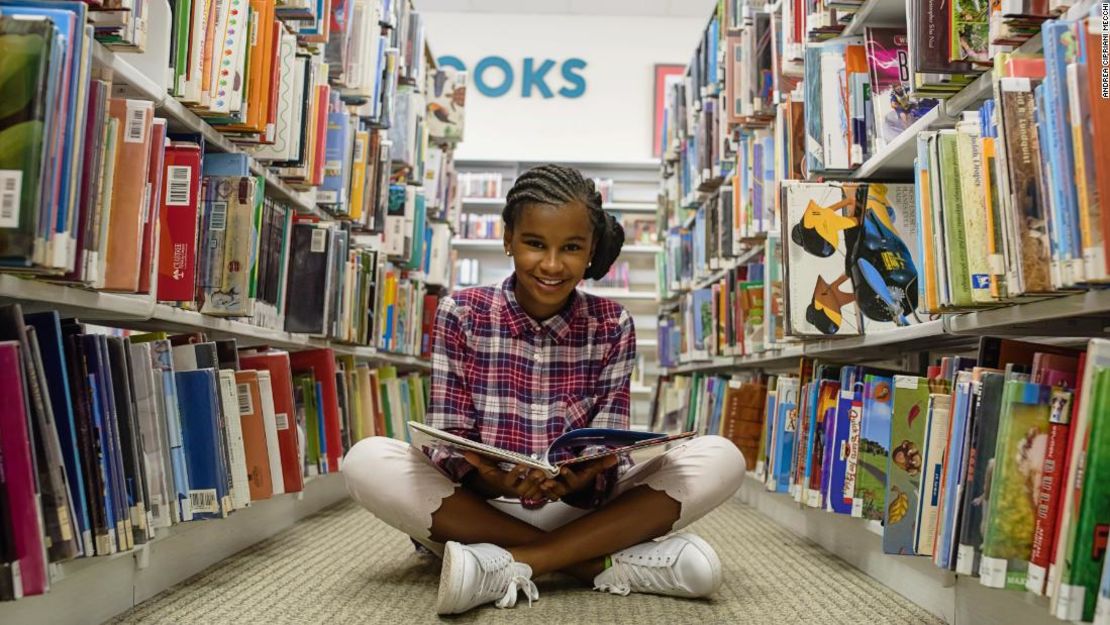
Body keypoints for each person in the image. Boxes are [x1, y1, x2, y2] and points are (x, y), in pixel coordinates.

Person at [342, 164, 746, 615]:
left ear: (591, 251)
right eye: (535, 244)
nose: (552, 265)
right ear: (508, 238)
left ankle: (515, 561)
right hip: (480, 508)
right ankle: (598, 560)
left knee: (721, 456)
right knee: (367, 458)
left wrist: (586, 474)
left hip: (582, 509)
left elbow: (609, 442)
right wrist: (489, 477)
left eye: (571, 248)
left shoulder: (613, 324)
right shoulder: (461, 312)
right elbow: (446, 439)